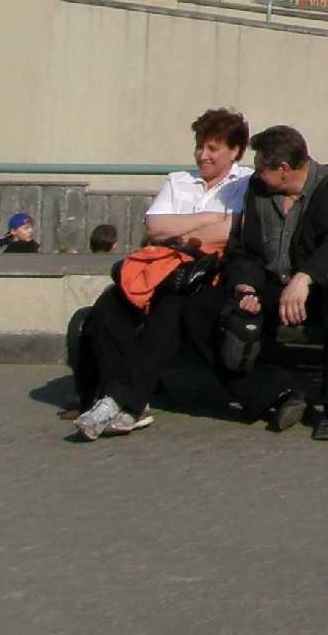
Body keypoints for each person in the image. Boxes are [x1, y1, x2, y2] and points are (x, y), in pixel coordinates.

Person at [68, 107, 255, 437]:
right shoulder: (178, 180)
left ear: (235, 150)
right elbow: (155, 227)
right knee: (109, 306)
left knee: (170, 308)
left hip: (205, 276)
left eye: (212, 148)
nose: (202, 155)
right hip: (161, 270)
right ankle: (116, 395)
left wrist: (181, 231)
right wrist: (209, 220)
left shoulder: (246, 183)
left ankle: (129, 402)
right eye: (199, 146)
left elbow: (233, 233)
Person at [221, 124, 328, 441]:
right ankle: (276, 392)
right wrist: (246, 285)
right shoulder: (258, 190)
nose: (257, 173)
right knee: (205, 308)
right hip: (273, 282)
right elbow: (244, 249)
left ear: (284, 169)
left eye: (262, 167)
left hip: (321, 287)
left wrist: (306, 277)